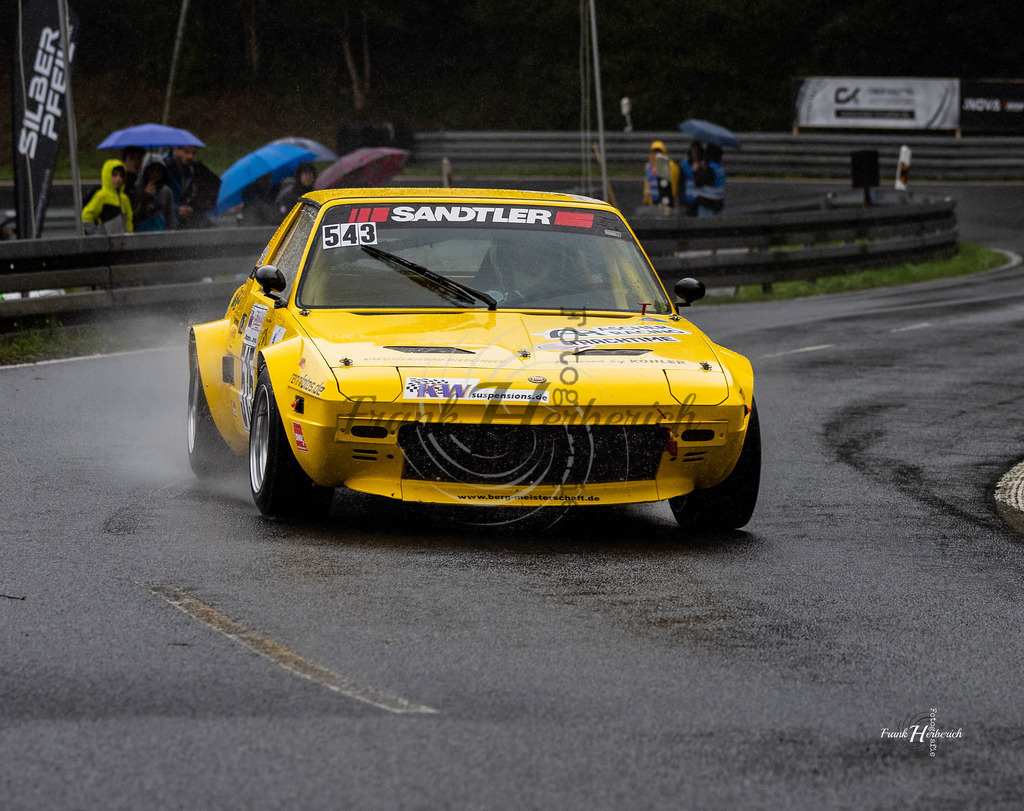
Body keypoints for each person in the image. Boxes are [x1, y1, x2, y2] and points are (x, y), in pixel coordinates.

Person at [164, 145, 221, 228]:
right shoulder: (165, 169)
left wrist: (195, 207)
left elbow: (212, 187)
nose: (190, 157)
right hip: (169, 219)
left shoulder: (197, 170)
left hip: (188, 217)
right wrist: (176, 210)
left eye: (193, 153)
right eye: (186, 152)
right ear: (176, 150)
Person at [81, 158, 133, 234]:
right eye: (114, 175)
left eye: (121, 176)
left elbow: (129, 221)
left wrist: (129, 236)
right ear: (107, 175)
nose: (118, 179)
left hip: (122, 239)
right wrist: (97, 235)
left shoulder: (124, 199)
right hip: (106, 239)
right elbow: (86, 216)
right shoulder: (101, 196)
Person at [133, 157, 176, 231]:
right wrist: (146, 195)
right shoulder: (137, 188)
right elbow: (134, 213)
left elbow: (170, 215)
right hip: (141, 230)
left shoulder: (166, 191)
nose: (155, 174)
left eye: (158, 171)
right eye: (151, 171)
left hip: (161, 229)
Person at [641, 140, 679, 209]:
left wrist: (671, 198)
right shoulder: (649, 166)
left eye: (659, 152)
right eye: (654, 152)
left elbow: (673, 183)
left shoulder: (670, 165)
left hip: (664, 201)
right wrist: (646, 198)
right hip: (651, 201)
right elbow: (646, 184)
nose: (656, 154)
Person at [695, 144, 726, 217]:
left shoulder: (710, 169)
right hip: (718, 202)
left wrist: (696, 170)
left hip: (707, 203)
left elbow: (699, 182)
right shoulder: (720, 167)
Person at [681, 141, 704, 216]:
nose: (694, 154)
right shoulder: (685, 165)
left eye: (696, 151)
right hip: (689, 199)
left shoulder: (704, 165)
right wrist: (682, 202)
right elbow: (681, 184)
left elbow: (703, 181)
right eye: (693, 151)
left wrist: (698, 170)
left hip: (701, 200)